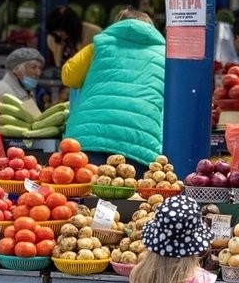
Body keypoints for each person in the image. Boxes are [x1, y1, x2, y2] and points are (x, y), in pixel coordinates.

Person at [62, 9, 165, 167]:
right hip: (139, 140)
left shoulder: (98, 45)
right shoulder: (164, 55)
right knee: (132, 182)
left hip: (90, 134)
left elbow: (69, 77)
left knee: (86, 182)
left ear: (117, 25)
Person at [0, 47, 43, 113]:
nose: (38, 73)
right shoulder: (2, 92)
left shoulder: (27, 91)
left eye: (40, 68)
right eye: (33, 67)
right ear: (16, 69)